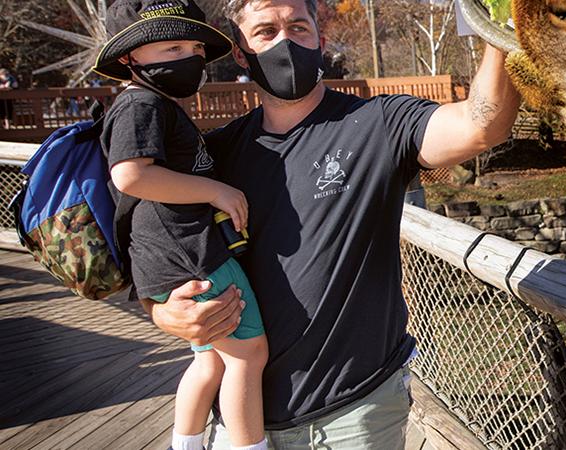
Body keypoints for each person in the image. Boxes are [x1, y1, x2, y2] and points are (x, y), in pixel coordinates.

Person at [143, 0, 521, 447]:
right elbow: (154, 238)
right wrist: (162, 313)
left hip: (353, 414)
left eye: (299, 27)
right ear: (241, 53)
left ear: (320, 39)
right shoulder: (216, 156)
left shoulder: (377, 123)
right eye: (266, 31)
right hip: (242, 421)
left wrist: (502, 24)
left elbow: (483, 124)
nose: (286, 42)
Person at [91, 1, 269, 449]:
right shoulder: (141, 104)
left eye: (192, 47)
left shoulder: (154, 103)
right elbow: (130, 174)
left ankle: (185, 444)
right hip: (189, 252)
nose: (188, 57)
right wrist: (216, 192)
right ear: (130, 57)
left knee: (210, 362)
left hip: (164, 256)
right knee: (249, 354)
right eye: (171, 48)